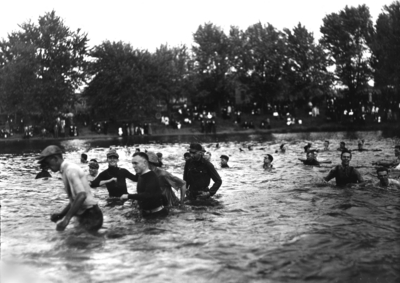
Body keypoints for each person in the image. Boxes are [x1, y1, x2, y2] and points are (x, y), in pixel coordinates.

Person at [37, 145, 103, 232]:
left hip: (91, 215)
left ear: (55, 158)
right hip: (85, 214)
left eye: (48, 163)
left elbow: (82, 196)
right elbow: (75, 199)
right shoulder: (65, 170)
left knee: (75, 242)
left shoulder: (70, 170)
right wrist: (61, 215)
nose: (47, 167)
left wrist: (67, 219)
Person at [121, 152, 168, 218]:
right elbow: (142, 195)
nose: (133, 166)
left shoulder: (151, 176)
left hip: (157, 215)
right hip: (146, 213)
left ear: (145, 163)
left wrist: (129, 196)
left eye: (136, 163)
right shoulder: (141, 176)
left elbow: (148, 195)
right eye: (132, 163)